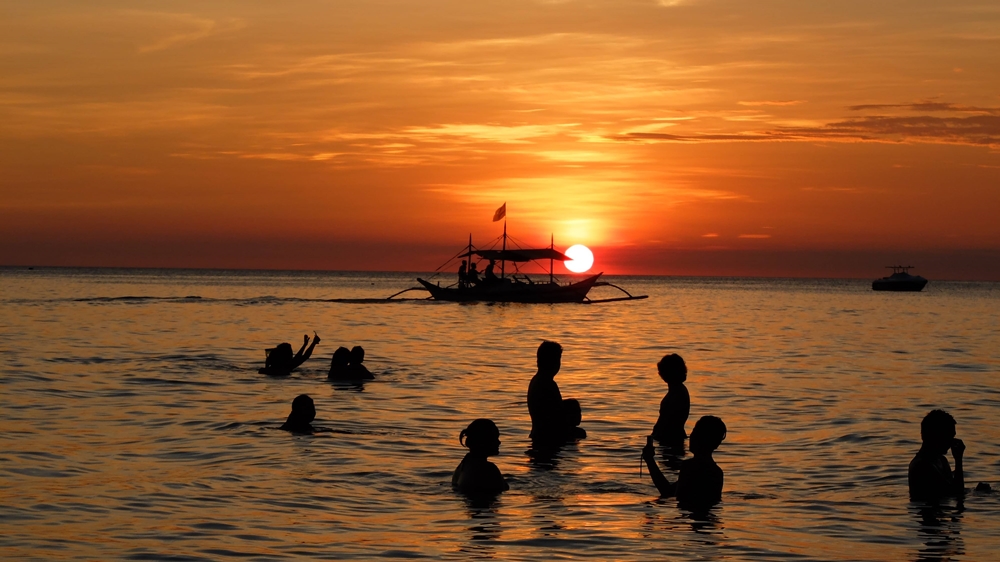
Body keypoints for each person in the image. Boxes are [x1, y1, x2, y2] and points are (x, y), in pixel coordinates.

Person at [642, 415, 727, 509]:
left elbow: (668, 493)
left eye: (695, 432)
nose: (691, 436)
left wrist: (650, 460)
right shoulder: (717, 472)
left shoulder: (690, 466)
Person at [909, 409, 965, 501]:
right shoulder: (922, 466)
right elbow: (956, 494)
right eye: (949, 436)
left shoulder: (942, 460)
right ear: (936, 436)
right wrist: (958, 460)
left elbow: (955, 489)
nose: (951, 441)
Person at [527, 341, 568, 447]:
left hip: (539, 437)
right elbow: (556, 416)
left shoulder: (537, 380)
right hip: (547, 439)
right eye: (557, 359)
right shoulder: (547, 384)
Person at [452, 419, 509, 495]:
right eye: (495, 438)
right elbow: (502, 489)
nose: (499, 442)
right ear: (485, 441)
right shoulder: (489, 469)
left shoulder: (463, 466)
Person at [650, 353, 690, 447]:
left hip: (670, 438)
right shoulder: (678, 390)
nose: (660, 374)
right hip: (670, 437)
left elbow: (668, 420)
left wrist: (655, 435)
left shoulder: (677, 392)